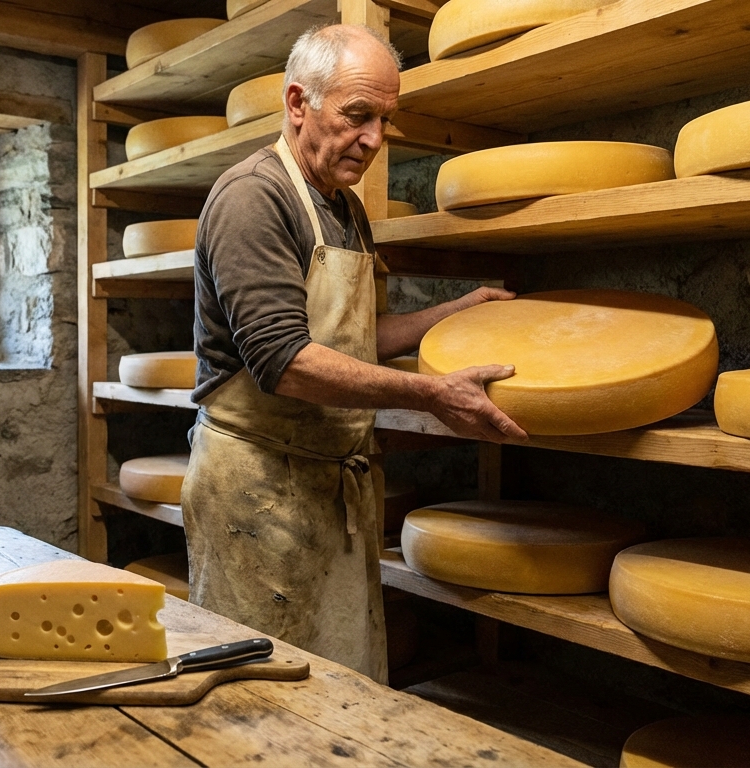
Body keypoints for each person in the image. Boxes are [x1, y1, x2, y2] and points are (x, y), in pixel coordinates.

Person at [180, 23, 526, 683]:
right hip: (259, 488)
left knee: (339, 681)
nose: (373, 140)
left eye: (385, 121)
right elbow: (285, 359)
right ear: (297, 103)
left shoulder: (343, 206)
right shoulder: (254, 196)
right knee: (263, 694)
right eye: (357, 115)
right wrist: (430, 393)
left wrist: (454, 313)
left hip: (326, 483)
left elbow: (353, 336)